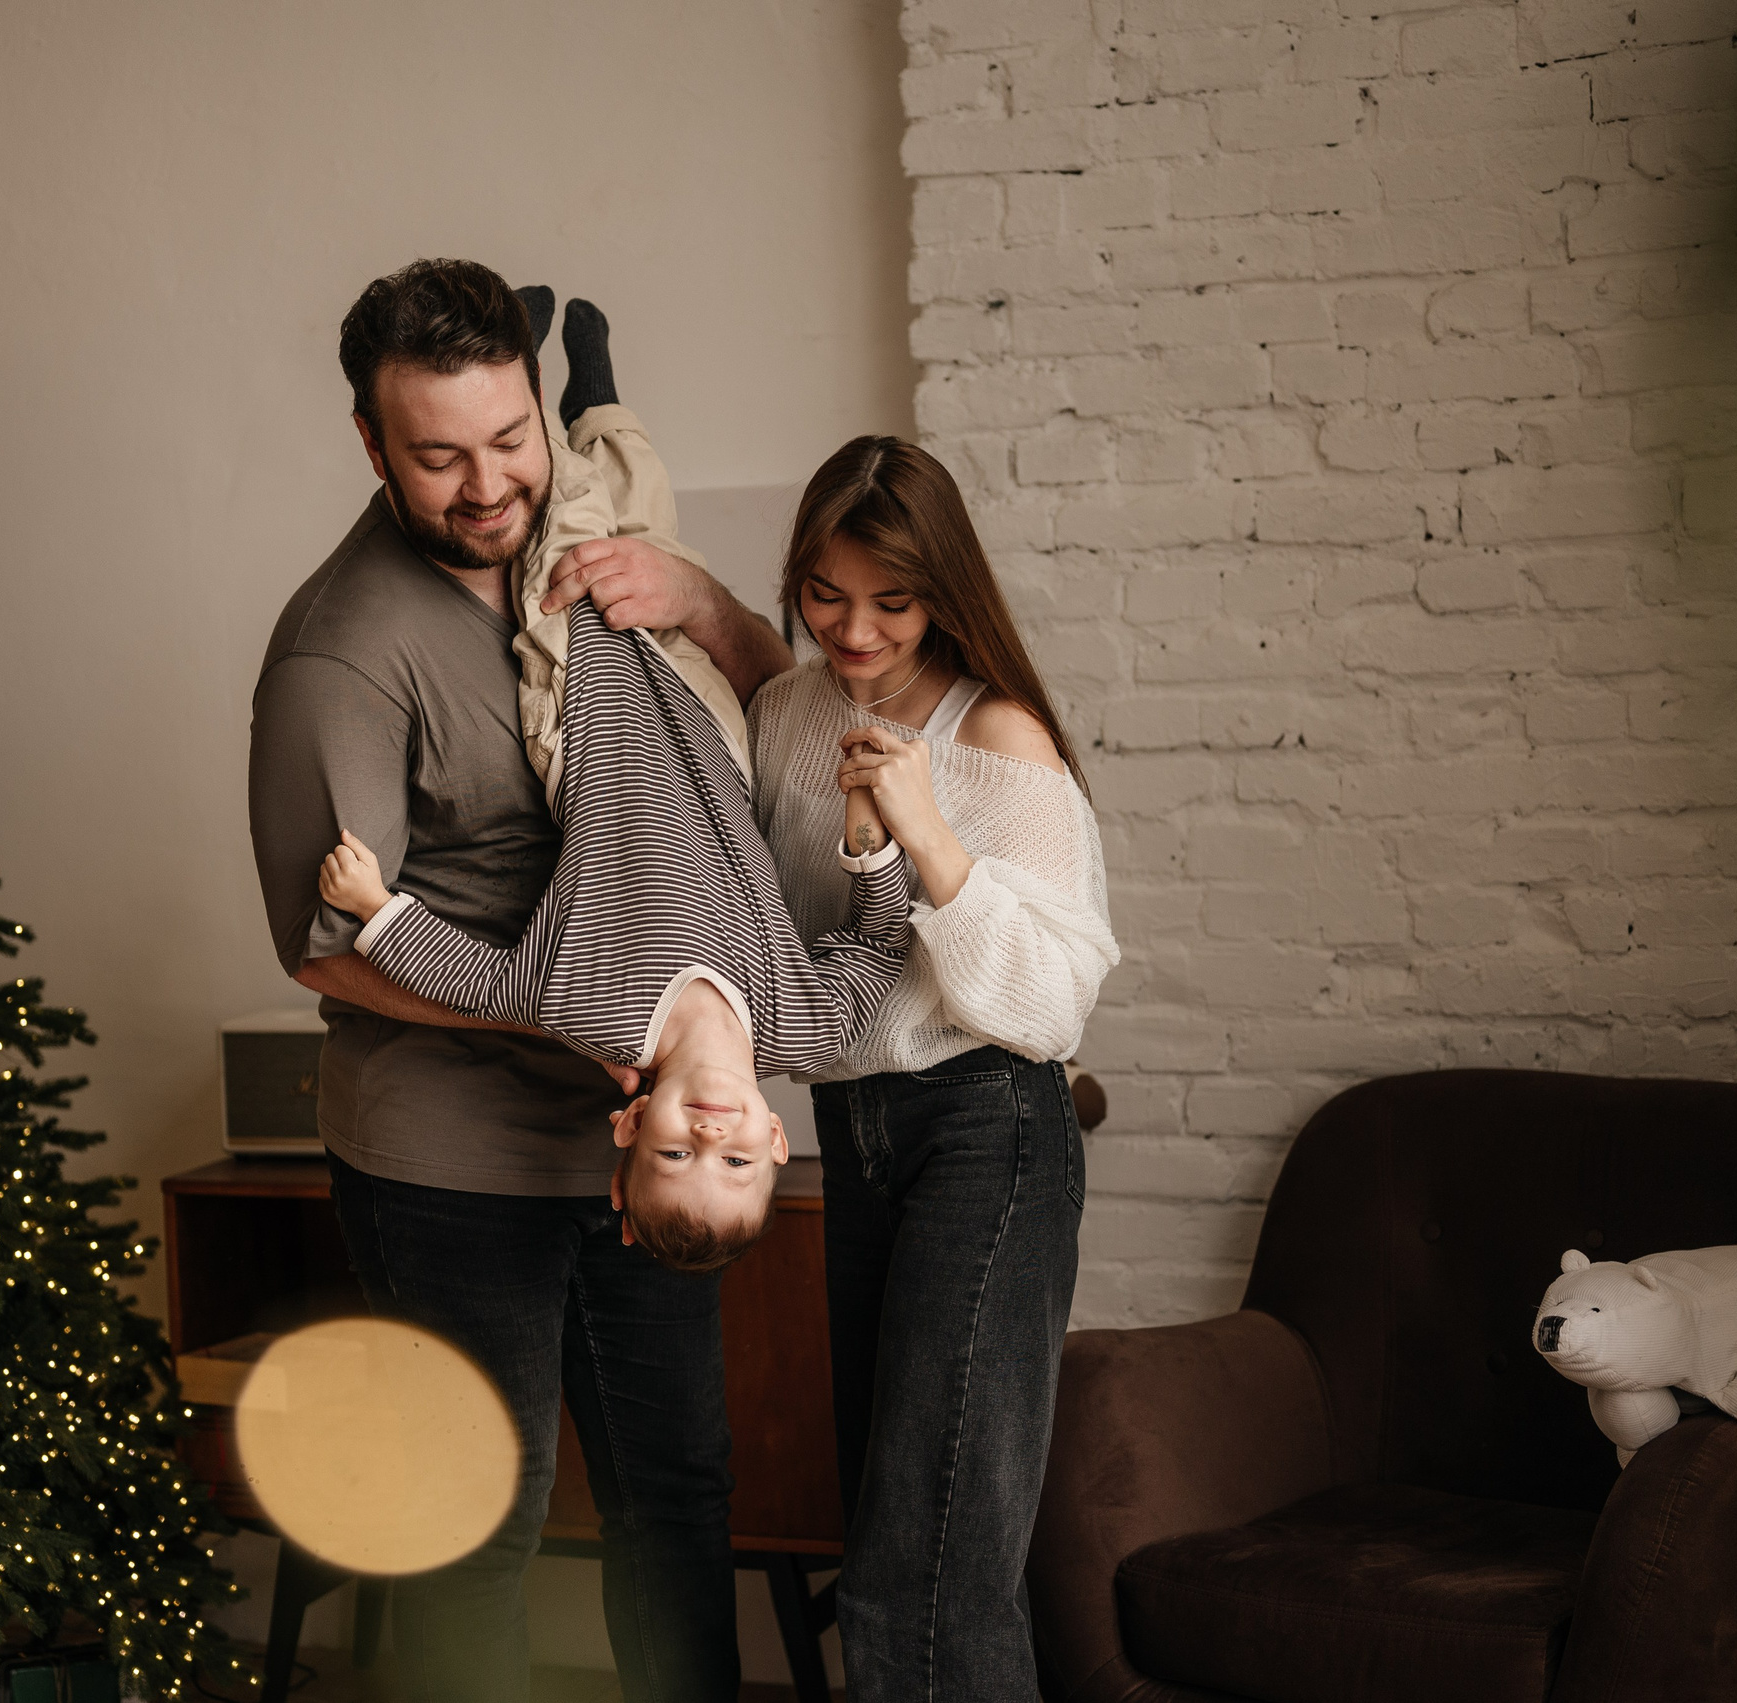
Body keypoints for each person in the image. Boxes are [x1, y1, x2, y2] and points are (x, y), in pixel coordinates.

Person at [246, 258, 791, 1703]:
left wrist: (705, 599)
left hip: (639, 1154)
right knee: (471, 1522)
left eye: (511, 441)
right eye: (439, 457)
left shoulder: (588, 537)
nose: (489, 487)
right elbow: (323, 944)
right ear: (372, 444)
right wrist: (568, 1008)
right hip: (452, 1162)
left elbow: (775, 722)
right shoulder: (340, 651)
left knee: (677, 1496)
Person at [313, 387, 910, 1266]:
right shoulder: (805, 1027)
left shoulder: (591, 1011)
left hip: (588, 716)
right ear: (777, 1140)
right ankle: (600, 396)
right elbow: (882, 944)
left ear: (631, 1121)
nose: (710, 1134)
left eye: (674, 1152)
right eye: (736, 1157)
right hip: (709, 734)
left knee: (576, 549)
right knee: (655, 549)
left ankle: (536, 416)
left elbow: (478, 981)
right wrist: (870, 844)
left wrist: (377, 911)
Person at [748, 436, 1121, 1700]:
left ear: (942, 591)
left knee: (932, 1570)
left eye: (891, 602)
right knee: (894, 1543)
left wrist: (930, 839)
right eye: (824, 593)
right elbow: (774, 927)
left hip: (987, 1130)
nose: (854, 631)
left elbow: (1054, 997)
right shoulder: (790, 713)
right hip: (850, 1129)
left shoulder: (997, 731)